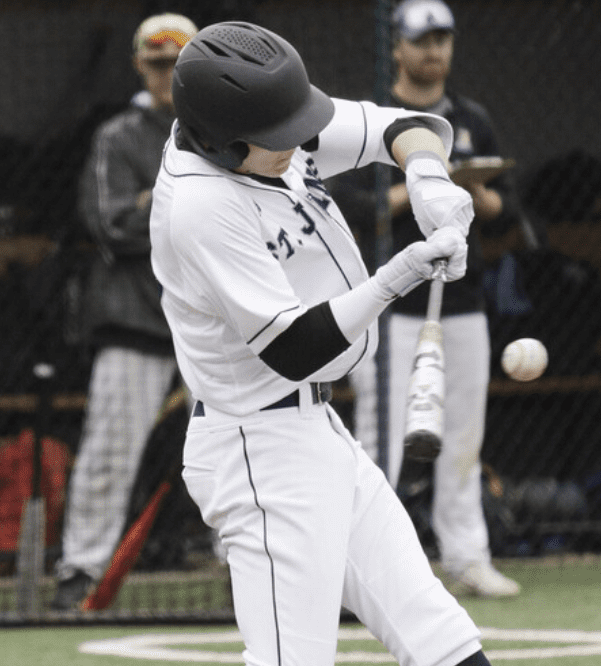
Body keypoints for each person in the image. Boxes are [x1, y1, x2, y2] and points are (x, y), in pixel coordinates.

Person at [152, 22, 492, 664]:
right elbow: (293, 348)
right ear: (222, 143)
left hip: (318, 430)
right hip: (259, 449)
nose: (298, 142)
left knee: (442, 638)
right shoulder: (201, 206)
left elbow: (402, 128)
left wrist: (426, 178)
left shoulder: (259, 126)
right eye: (277, 137)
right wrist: (398, 276)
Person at [334, 0, 519, 598]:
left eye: (442, 39)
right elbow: (352, 204)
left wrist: (470, 192)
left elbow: (507, 211)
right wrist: (426, 184)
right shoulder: (372, 117)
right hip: (389, 301)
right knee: (379, 437)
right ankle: (359, 563)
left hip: (461, 300)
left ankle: (466, 555)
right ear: (397, 46)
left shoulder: (472, 118)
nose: (433, 51)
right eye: (422, 40)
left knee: (463, 432)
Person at [50, 12, 195, 611]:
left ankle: (261, 562)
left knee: (250, 442)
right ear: (140, 65)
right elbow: (111, 223)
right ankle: (80, 569)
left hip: (215, 318)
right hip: (136, 317)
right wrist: (183, 209)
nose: (166, 74)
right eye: (156, 63)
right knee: (110, 451)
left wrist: (156, 202)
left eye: (177, 64)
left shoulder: (222, 127)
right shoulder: (119, 135)